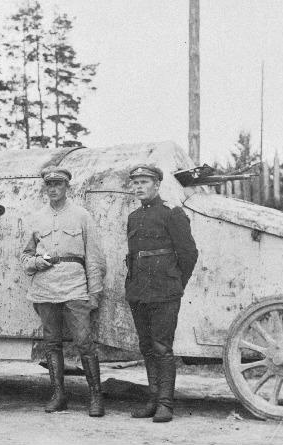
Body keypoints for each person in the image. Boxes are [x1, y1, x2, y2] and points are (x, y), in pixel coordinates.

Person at [20, 166, 107, 417]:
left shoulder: (82, 216)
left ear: (67, 187)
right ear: (45, 188)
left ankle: (95, 397)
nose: (54, 189)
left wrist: (95, 291)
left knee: (84, 343)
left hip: (74, 287)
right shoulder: (36, 218)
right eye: (49, 185)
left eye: (58, 185)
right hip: (45, 288)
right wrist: (37, 262)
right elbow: (25, 256)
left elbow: (94, 257)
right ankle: (59, 395)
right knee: (52, 343)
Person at [125, 164, 198, 423]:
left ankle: (166, 404)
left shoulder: (172, 214)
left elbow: (189, 254)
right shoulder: (133, 217)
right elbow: (133, 256)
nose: (139, 187)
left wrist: (176, 284)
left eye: (145, 182)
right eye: (136, 183)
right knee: (146, 348)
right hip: (139, 292)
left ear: (157, 185)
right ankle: (153, 400)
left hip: (165, 292)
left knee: (162, 348)